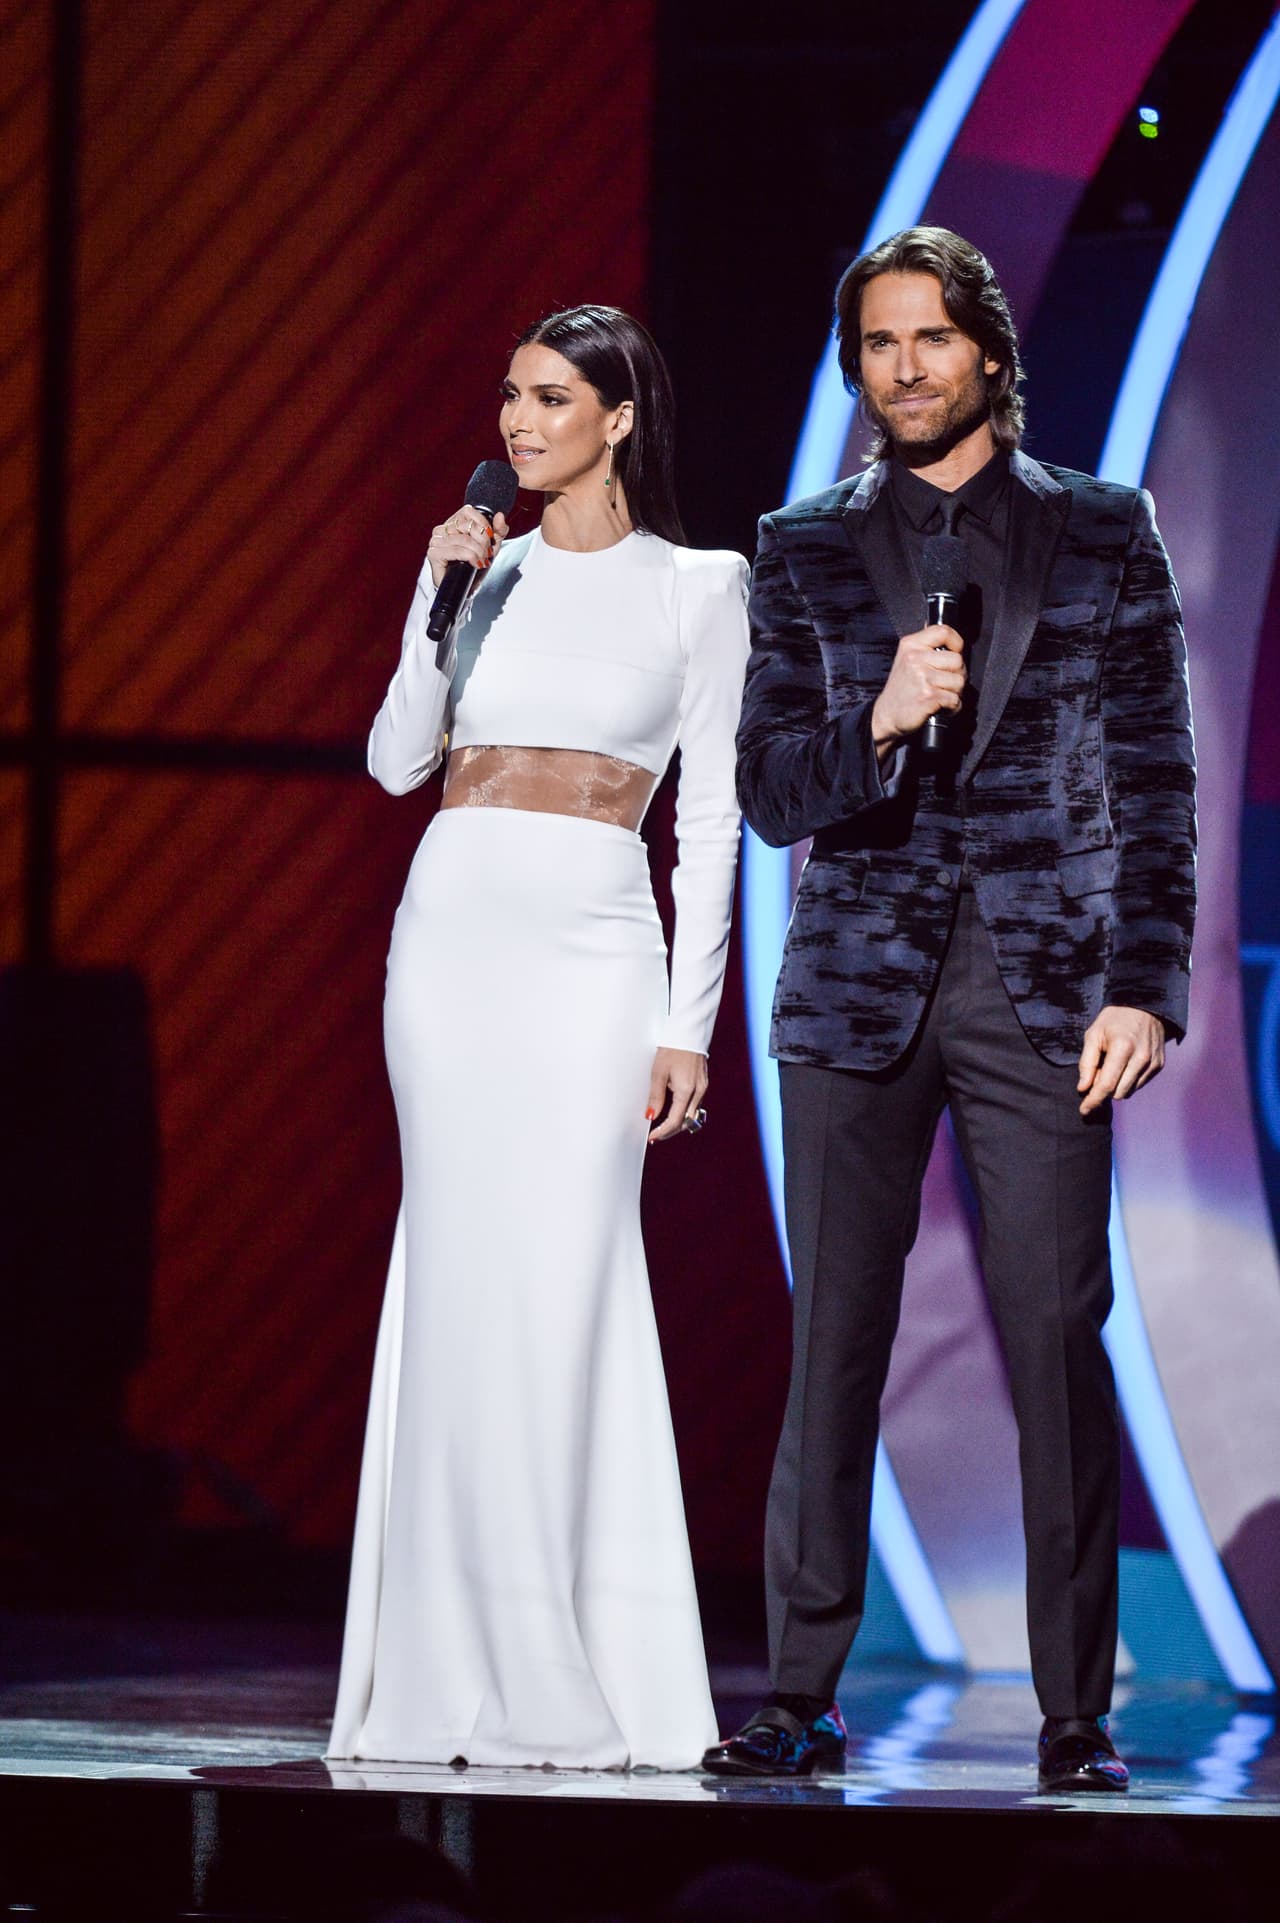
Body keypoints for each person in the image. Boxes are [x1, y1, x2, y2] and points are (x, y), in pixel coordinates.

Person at [703, 228, 1195, 1791]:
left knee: (1056, 1339)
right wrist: (878, 716)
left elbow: (1157, 778)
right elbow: (769, 791)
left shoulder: (1103, 529)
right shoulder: (800, 547)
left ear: (986, 347)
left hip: (1046, 995)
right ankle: (797, 1692)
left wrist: (1148, 985)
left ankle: (1075, 1714)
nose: (904, 368)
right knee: (835, 1343)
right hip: (855, 988)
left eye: (929, 337)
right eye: (878, 344)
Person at [327, 305, 750, 1771]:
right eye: (510, 394)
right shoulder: (481, 570)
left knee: (567, 1287)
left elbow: (711, 821)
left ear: (619, 417)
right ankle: (446, 1667)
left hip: (594, 958)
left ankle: (574, 1656)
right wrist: (433, 602)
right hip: (451, 945)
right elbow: (397, 763)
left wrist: (688, 1025)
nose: (518, 421)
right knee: (456, 1278)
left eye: (552, 397)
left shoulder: (700, 586)